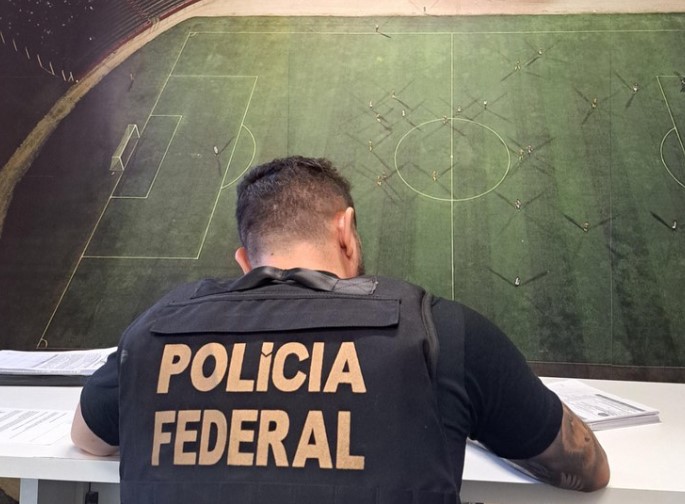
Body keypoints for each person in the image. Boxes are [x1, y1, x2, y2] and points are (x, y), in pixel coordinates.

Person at [71, 156, 609, 503]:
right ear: (346, 231)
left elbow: (87, 436)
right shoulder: (442, 330)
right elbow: (586, 467)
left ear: (245, 262)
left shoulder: (155, 328)